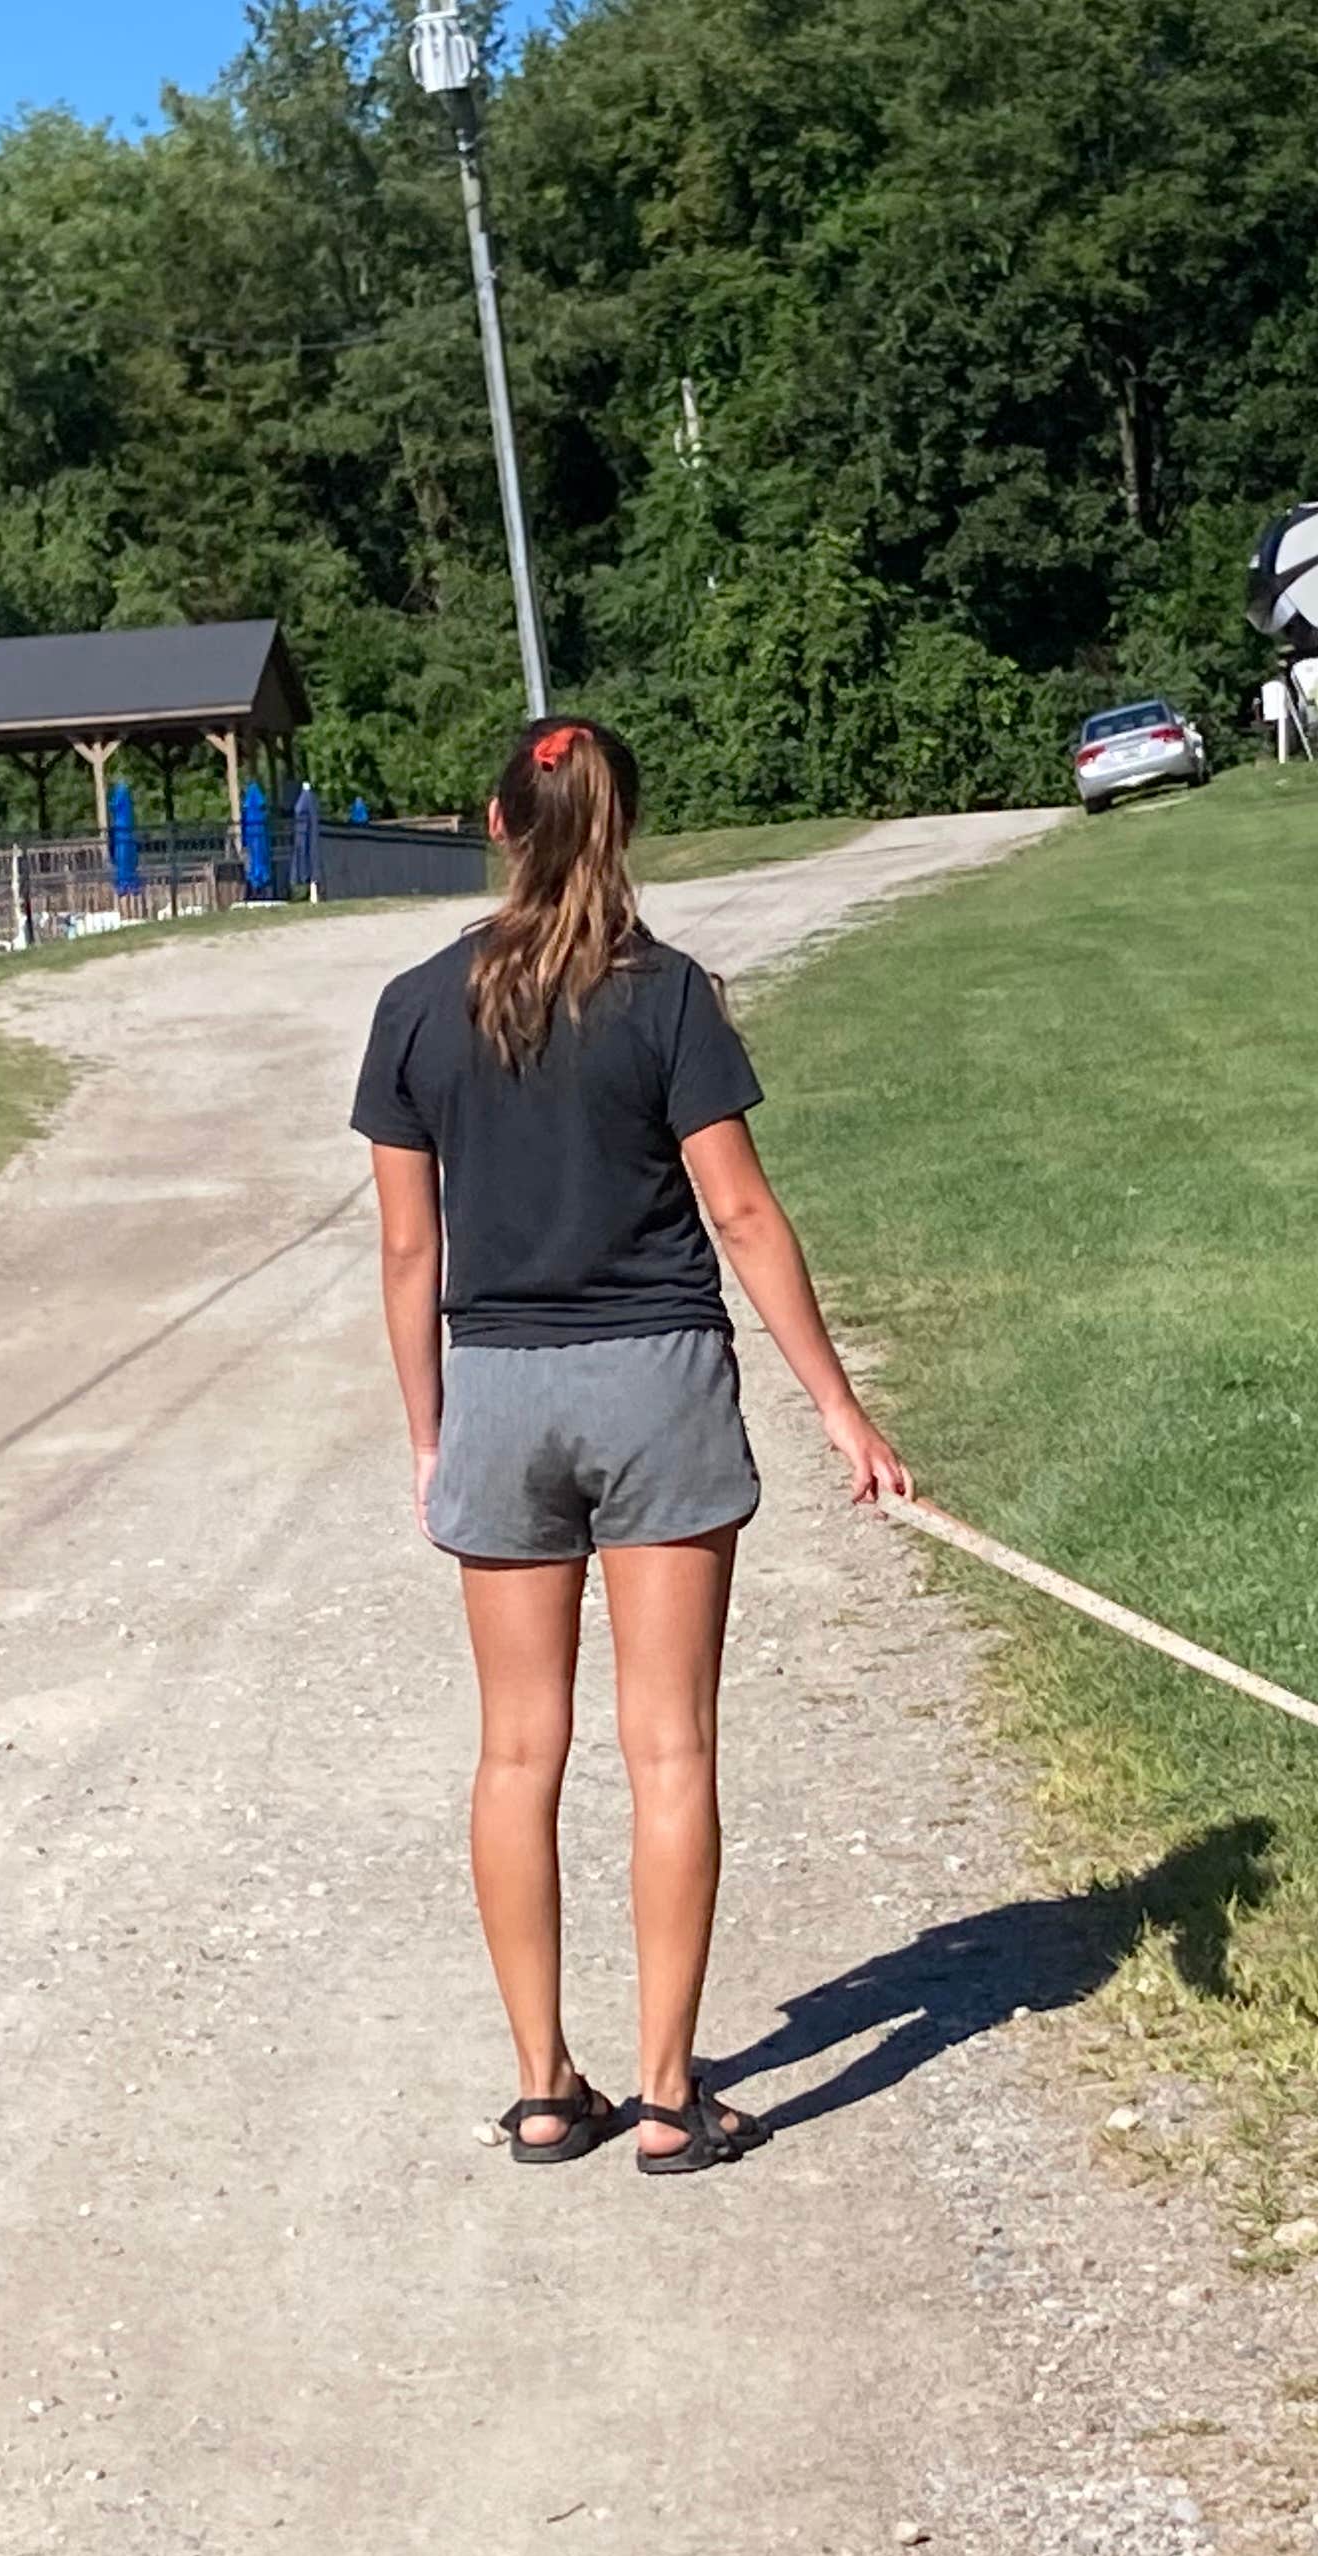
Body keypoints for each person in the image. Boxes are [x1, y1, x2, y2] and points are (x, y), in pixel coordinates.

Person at [353, 716, 912, 2176]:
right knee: (670, 1750)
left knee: (516, 1751)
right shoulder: (669, 1003)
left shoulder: (417, 1007)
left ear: (494, 823)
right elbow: (740, 1217)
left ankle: (546, 2086)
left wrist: (432, 1436)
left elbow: (409, 1253)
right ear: (622, 828)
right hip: (655, 1384)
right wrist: (841, 1413)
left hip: (503, 1394)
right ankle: (669, 2096)